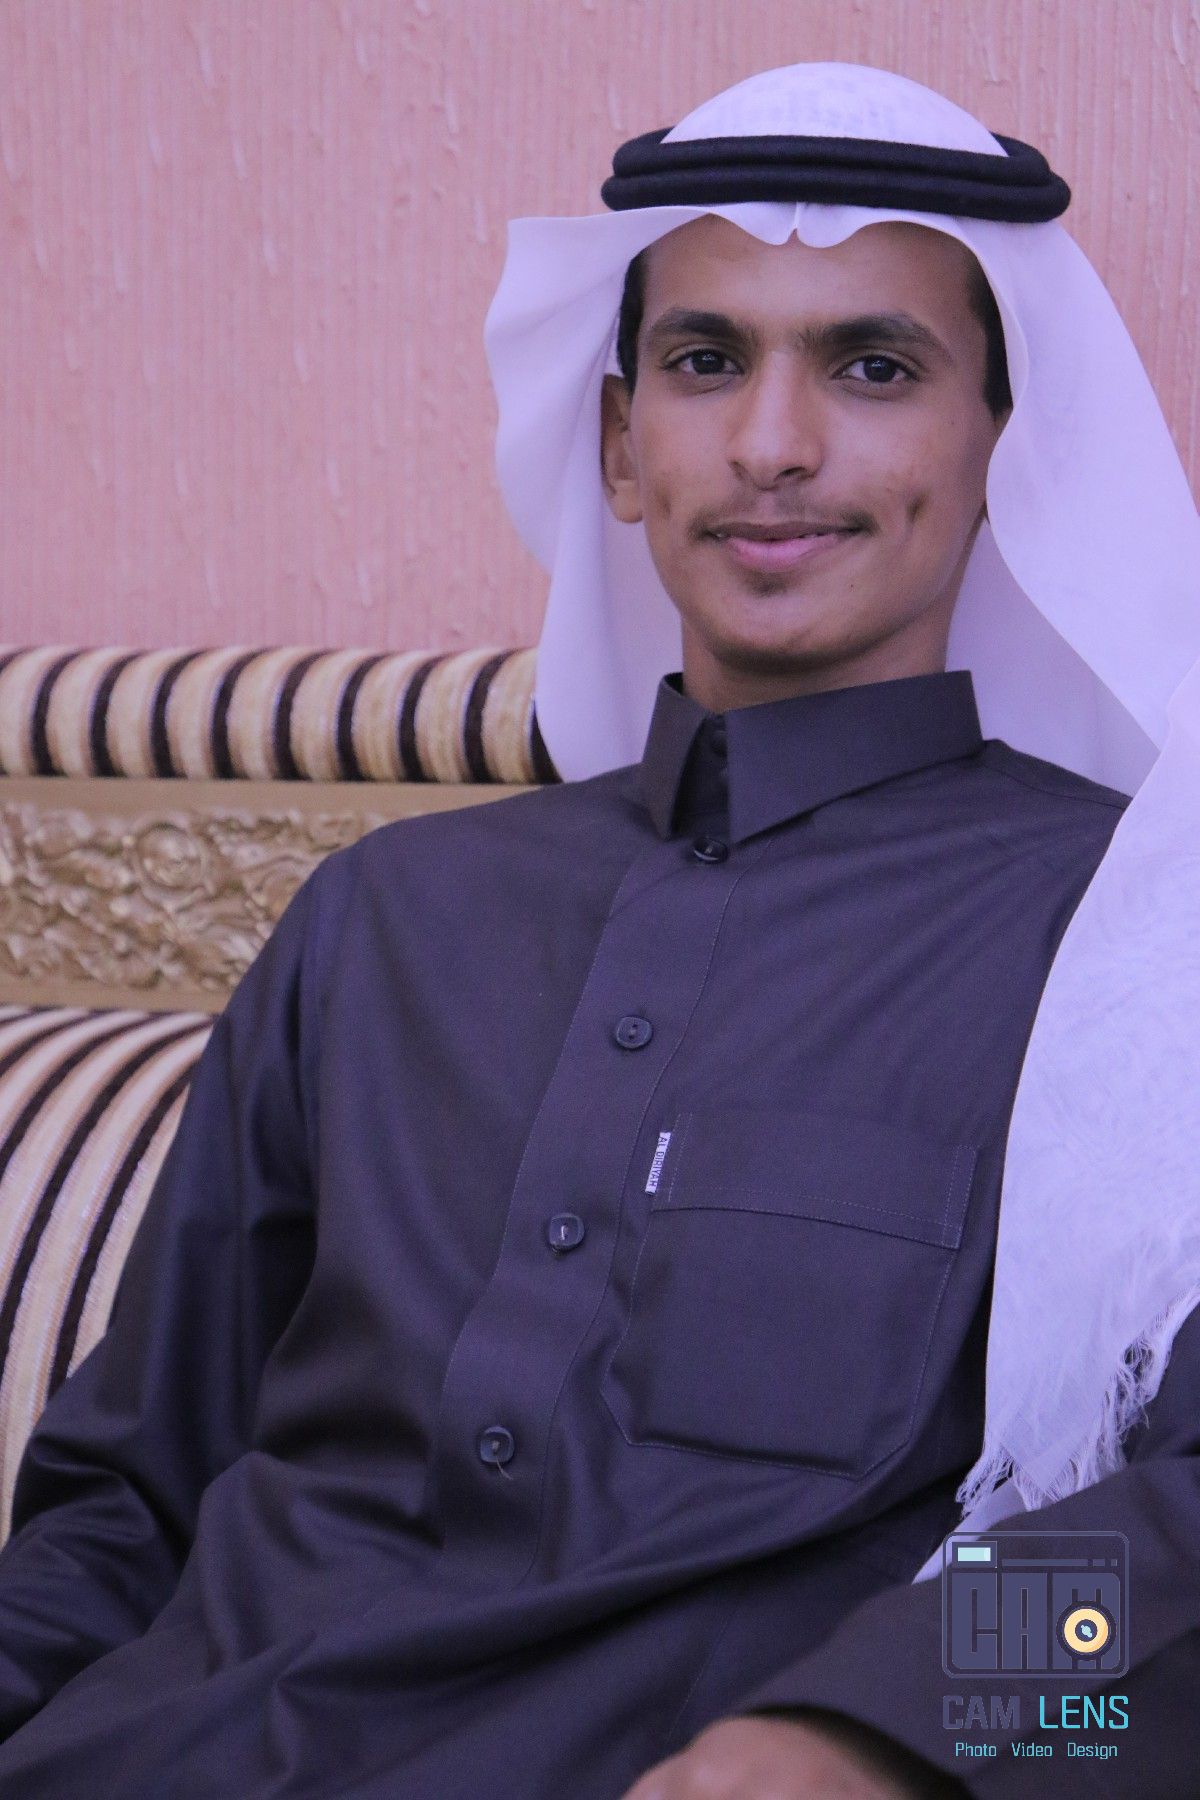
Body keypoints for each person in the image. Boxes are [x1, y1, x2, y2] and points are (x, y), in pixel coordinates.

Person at [0, 60, 1196, 1800]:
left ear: (1002, 445)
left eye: (873, 368)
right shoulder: (385, 919)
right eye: (706, 362)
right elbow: (123, 1504)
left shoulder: (1131, 948)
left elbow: (1176, 1542)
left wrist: (881, 1734)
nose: (772, 444)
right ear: (625, 445)